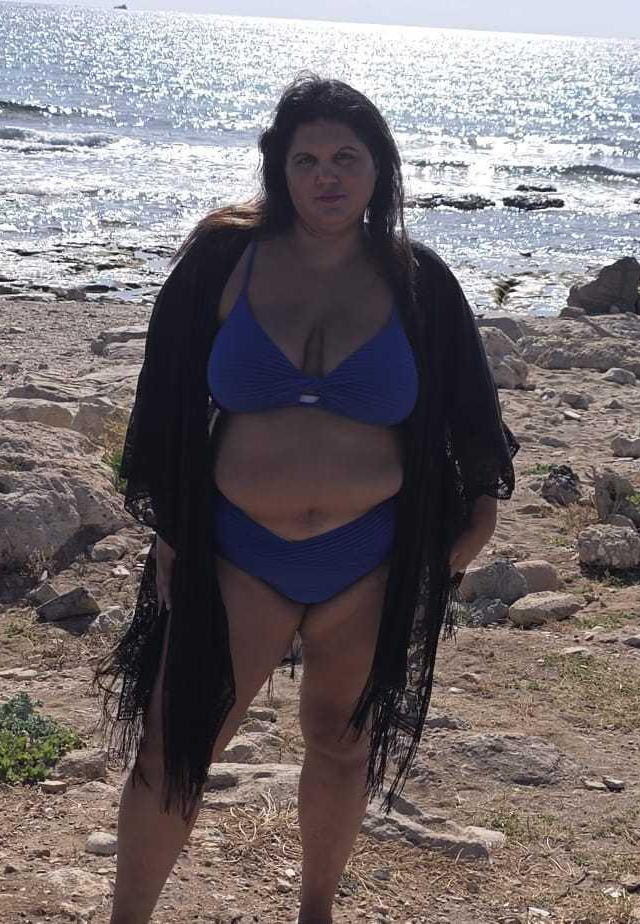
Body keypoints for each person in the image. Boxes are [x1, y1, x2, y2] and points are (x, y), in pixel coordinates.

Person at [98, 75, 518, 924]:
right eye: (307, 160)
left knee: (340, 741)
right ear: (279, 169)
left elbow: (470, 410)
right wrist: (173, 530)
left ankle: (316, 911)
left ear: (379, 169)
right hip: (238, 552)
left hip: (370, 558)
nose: (327, 176)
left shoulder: (418, 279)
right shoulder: (224, 258)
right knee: (174, 748)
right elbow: (165, 396)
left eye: (346, 158)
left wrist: (477, 518)